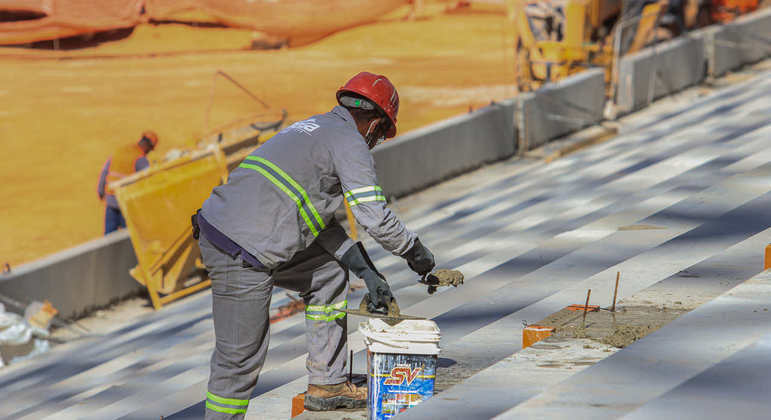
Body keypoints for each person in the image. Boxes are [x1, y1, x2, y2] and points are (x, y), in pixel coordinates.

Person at [194, 72, 437, 418]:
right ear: (375, 122)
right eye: (382, 133)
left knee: (326, 274)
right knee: (239, 361)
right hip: (240, 250)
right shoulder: (351, 143)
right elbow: (374, 217)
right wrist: (417, 254)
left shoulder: (316, 129)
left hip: (244, 233)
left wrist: (367, 272)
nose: (377, 140)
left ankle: (328, 383)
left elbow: (318, 224)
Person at [97, 130, 158, 234]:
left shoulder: (120, 151)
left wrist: (101, 191)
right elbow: (148, 182)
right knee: (129, 237)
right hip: (125, 203)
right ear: (148, 146)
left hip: (110, 200)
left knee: (109, 238)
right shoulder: (140, 159)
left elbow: (104, 171)